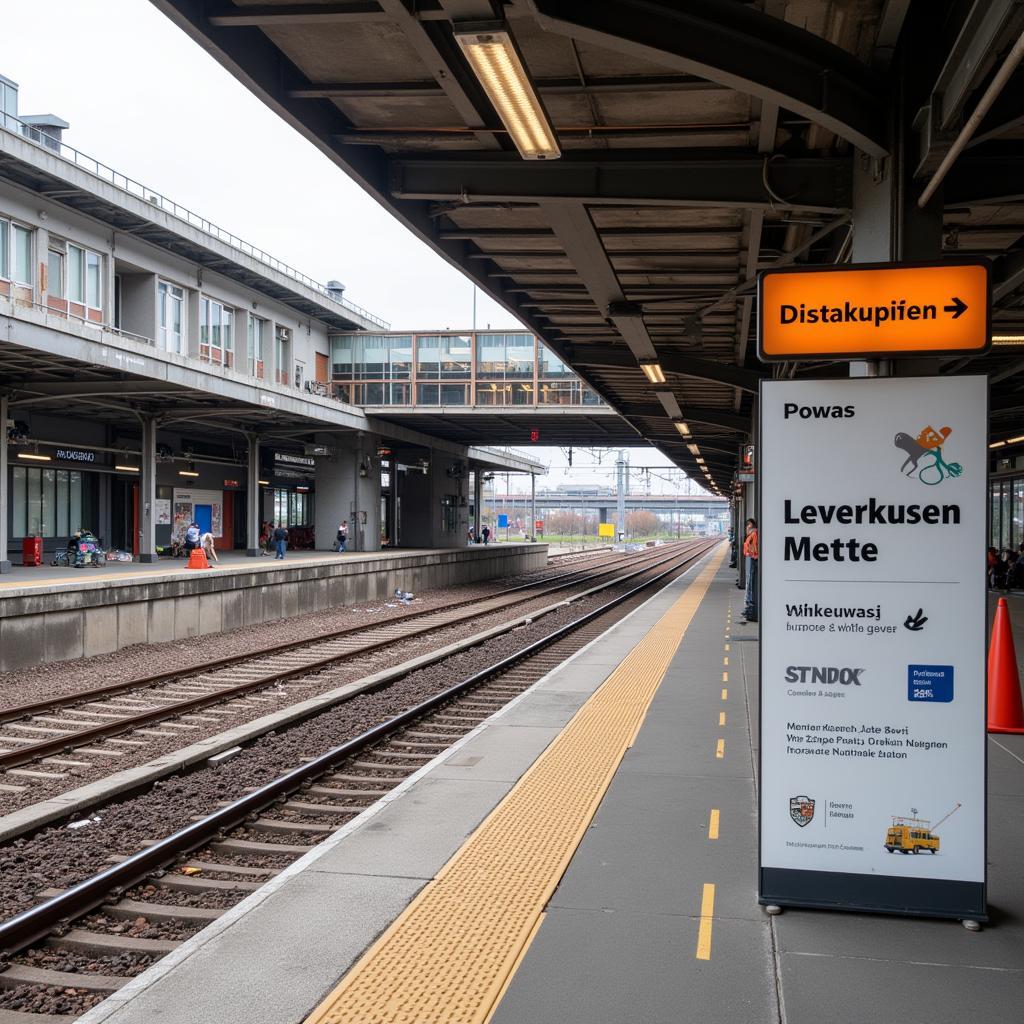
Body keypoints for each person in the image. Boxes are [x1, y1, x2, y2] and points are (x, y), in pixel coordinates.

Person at [741, 518, 759, 624]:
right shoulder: (751, 535)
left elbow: (754, 549)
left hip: (753, 561)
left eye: (747, 526)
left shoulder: (754, 534)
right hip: (751, 561)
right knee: (749, 586)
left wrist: (752, 555)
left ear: (751, 525)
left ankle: (751, 610)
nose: (746, 528)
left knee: (751, 586)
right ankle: (748, 609)